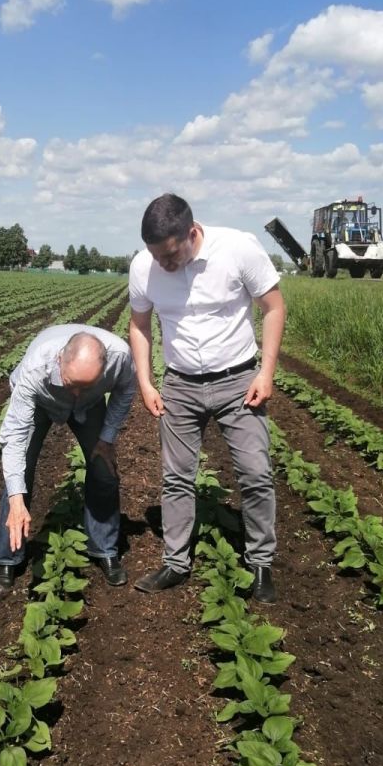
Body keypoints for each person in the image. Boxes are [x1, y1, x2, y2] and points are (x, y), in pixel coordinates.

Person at [128, 193, 286, 602]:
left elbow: (273, 307)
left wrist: (266, 373)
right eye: (155, 255)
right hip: (180, 384)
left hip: (238, 381)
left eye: (170, 254)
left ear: (192, 232)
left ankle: (261, 564)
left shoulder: (237, 249)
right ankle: (176, 562)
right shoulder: (144, 266)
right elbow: (139, 325)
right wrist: (146, 382)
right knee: (176, 478)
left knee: (255, 473)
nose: (162, 264)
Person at [0, 324, 136, 593]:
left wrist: (107, 437)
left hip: (90, 408)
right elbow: (13, 437)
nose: (76, 392)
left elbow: (126, 391)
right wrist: (16, 498)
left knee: (104, 470)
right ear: (60, 361)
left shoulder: (120, 357)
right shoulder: (35, 369)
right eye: (72, 384)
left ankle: (104, 549)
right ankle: (7, 558)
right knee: (18, 477)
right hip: (43, 402)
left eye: (87, 385)